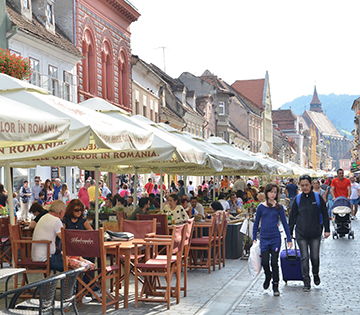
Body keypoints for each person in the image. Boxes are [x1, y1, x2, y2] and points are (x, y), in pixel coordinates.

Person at [289, 174, 330, 292]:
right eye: (302, 185)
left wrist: (327, 229)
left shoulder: (317, 198)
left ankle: (315, 273)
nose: (304, 187)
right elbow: (292, 216)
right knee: (304, 258)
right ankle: (306, 281)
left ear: (311, 184)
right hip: (301, 233)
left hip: (315, 232)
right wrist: (290, 232)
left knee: (315, 257)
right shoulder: (297, 199)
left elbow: (325, 214)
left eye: (306, 185)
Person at [253, 183, 293, 296]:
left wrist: (289, 238)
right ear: (266, 193)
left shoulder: (279, 207)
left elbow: (285, 223)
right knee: (265, 261)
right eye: (271, 192)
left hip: (275, 238)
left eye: (275, 192)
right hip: (264, 238)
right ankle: (268, 276)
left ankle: (275, 285)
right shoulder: (261, 207)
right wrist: (254, 237)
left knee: (274, 262)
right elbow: (256, 223)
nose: (273, 194)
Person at [32, 200, 66, 272]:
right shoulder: (56, 220)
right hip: (46, 258)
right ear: (61, 212)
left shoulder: (44, 217)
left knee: (67, 260)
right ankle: (75, 283)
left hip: (37, 257)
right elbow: (65, 239)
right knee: (70, 266)